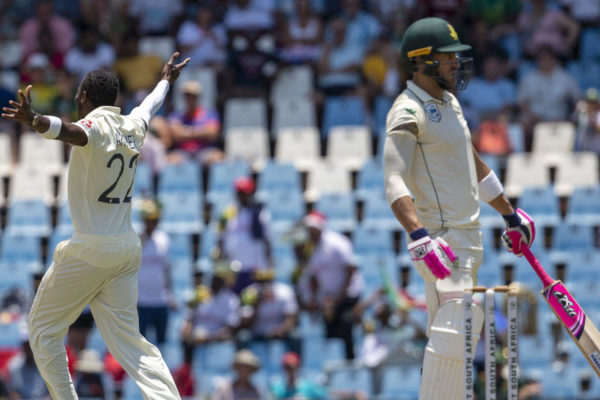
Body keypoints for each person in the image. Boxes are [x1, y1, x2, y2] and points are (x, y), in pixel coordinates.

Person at [1, 52, 190, 399]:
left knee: (42, 330)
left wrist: (35, 120)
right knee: (131, 343)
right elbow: (150, 104)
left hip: (91, 250)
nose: (76, 100)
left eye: (77, 96)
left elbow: (70, 132)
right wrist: (166, 80)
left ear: (85, 97)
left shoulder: (94, 126)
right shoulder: (133, 125)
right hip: (126, 249)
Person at [383, 17, 535, 399]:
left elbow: (474, 166)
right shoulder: (408, 110)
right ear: (421, 61)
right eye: (447, 56)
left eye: (455, 56)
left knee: (457, 343)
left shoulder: (449, 102)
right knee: (456, 334)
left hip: (469, 240)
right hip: (442, 243)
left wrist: (510, 215)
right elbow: (393, 180)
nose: (455, 63)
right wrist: (419, 236)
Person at [298, 211, 363, 360]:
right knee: (329, 330)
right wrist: (315, 299)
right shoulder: (311, 247)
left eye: (312, 229)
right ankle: (333, 362)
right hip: (328, 299)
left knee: (345, 325)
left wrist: (338, 298)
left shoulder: (338, 243)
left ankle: (350, 360)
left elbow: (350, 271)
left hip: (347, 295)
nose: (310, 233)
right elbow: (313, 276)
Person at [218, 176, 272, 294]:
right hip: (233, 269)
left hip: (254, 268)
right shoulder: (228, 213)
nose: (242, 197)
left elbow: (267, 241)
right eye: (240, 193)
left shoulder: (259, 213)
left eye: (245, 193)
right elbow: (221, 238)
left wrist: (268, 265)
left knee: (252, 301)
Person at [152, 81, 225, 165]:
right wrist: (202, 132)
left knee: (218, 158)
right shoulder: (176, 116)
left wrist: (186, 131)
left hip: (205, 151)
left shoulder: (210, 114)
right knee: (170, 160)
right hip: (182, 152)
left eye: (193, 95)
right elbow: (175, 135)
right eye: (187, 95)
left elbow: (213, 133)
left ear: (198, 97)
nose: (190, 98)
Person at [137, 199, 176, 348]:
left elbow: (167, 269)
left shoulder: (164, 239)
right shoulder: (136, 239)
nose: (152, 223)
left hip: (160, 300)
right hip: (141, 300)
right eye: (149, 219)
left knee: (162, 344)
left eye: (155, 220)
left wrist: (170, 294)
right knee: (140, 343)